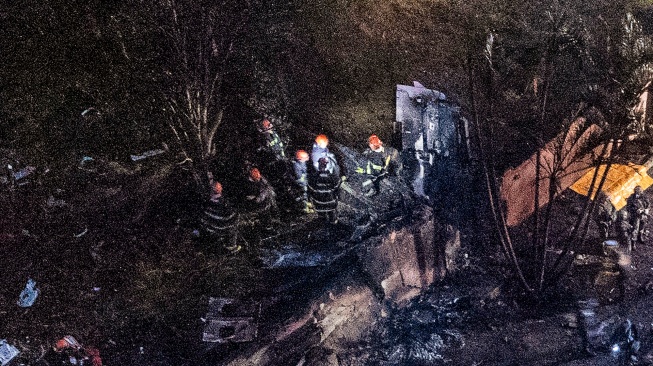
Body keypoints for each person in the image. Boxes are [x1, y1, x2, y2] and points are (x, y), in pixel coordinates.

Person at [199, 182, 241, 254]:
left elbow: (203, 217)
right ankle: (231, 247)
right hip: (222, 229)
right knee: (234, 227)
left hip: (210, 228)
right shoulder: (225, 203)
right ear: (220, 190)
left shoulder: (206, 201)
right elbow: (232, 217)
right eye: (221, 187)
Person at [308, 157, 341, 224]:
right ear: (326, 165)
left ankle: (323, 223)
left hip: (318, 202)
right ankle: (332, 224)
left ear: (319, 165)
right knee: (331, 214)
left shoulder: (314, 176)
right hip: (330, 202)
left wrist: (311, 198)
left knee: (321, 216)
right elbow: (336, 187)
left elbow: (311, 188)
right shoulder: (331, 176)